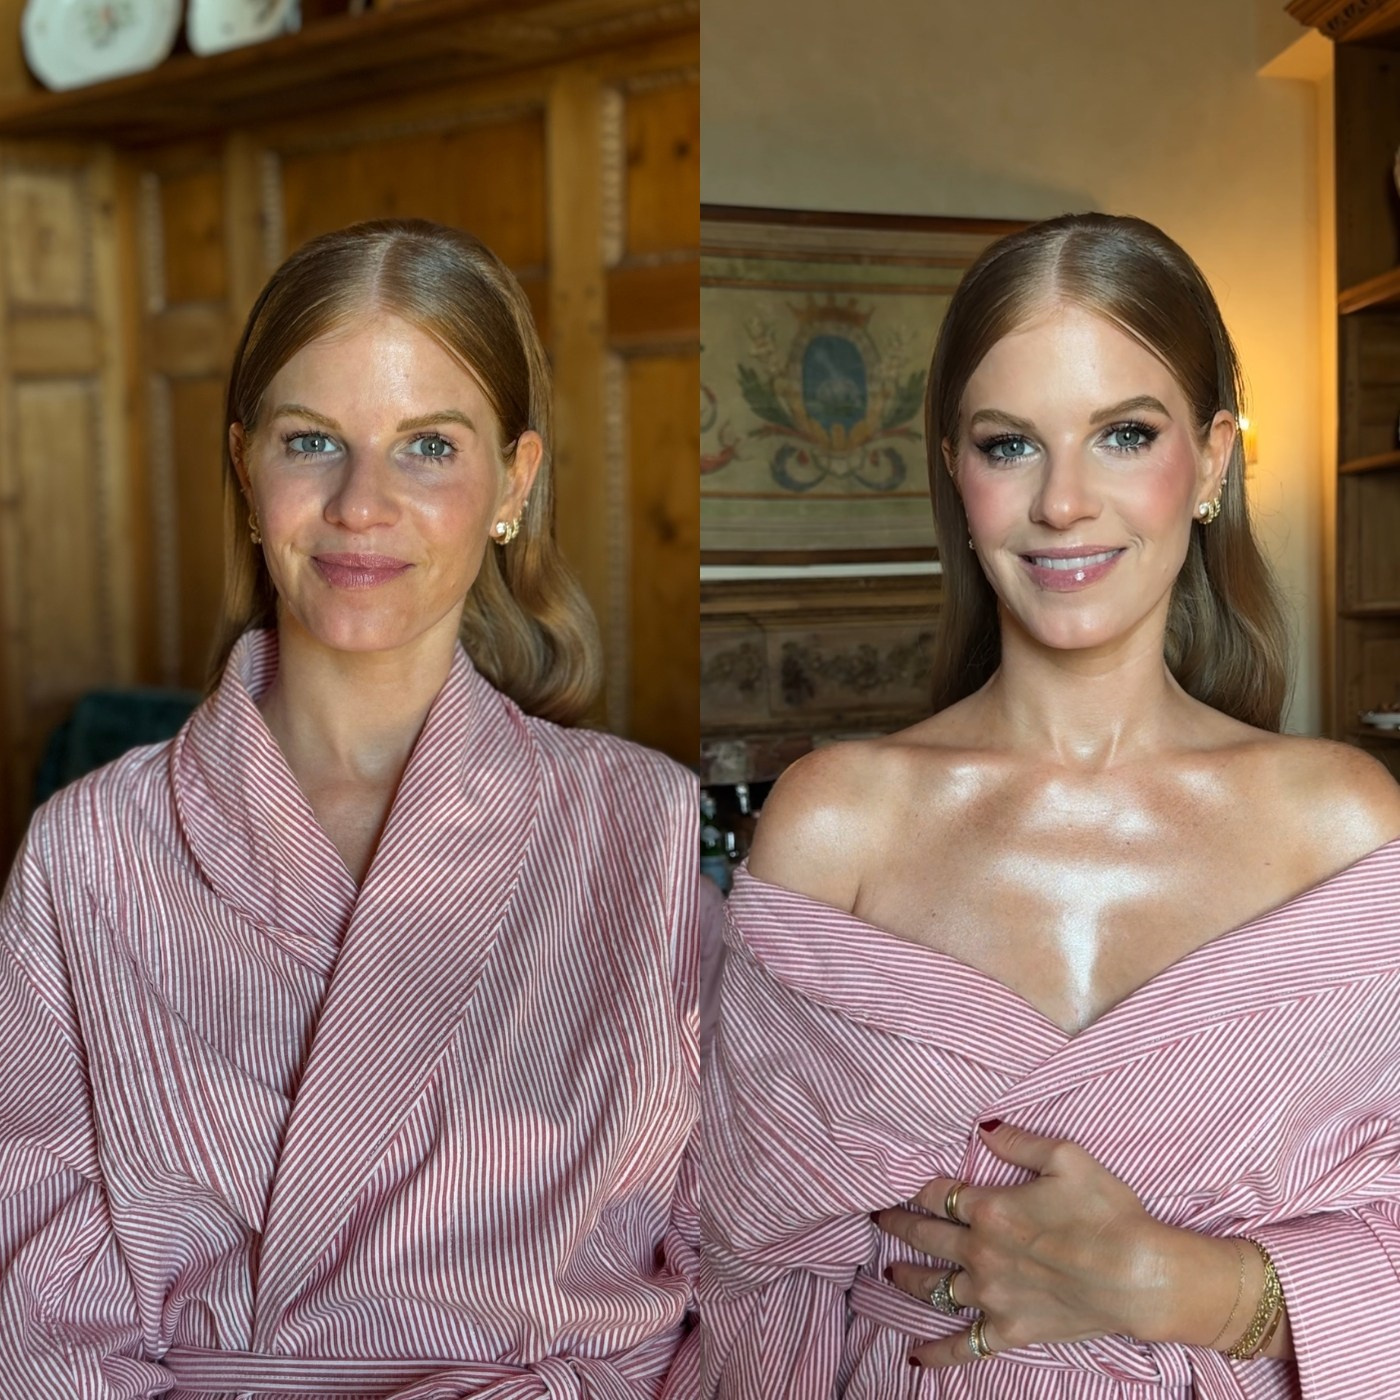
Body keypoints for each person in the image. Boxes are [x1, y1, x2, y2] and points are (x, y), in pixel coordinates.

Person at [700, 213, 1400, 1398]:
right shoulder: (836, 822)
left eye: (1123, 433)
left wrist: (1192, 1289)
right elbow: (740, 1274)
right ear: (954, 471)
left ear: (1212, 458)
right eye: (1009, 444)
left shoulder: (1337, 827)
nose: (1063, 502)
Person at [0, 219, 698, 1399]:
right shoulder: (87, 852)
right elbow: (38, 1309)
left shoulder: (648, 833)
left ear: (511, 483)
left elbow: (746, 1276)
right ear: (245, 467)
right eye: (312, 440)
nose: (361, 503)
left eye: (428, 445)